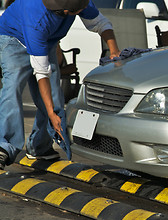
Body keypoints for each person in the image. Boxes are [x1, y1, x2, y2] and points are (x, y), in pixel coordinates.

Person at [0, 0, 121, 169]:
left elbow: (101, 23)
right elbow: (41, 73)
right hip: (13, 38)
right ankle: (5, 146)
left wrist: (114, 50)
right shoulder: (37, 20)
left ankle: (39, 147)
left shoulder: (80, 1)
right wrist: (50, 113)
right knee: (13, 87)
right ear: (67, 12)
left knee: (55, 99)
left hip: (47, 41)